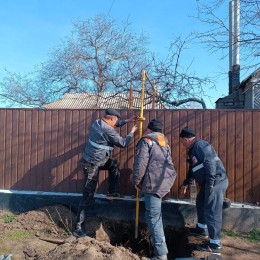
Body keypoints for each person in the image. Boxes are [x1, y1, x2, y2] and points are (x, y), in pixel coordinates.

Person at [73, 108, 138, 238]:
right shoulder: (107, 129)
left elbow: (115, 124)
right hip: (92, 163)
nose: (117, 122)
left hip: (99, 160)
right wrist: (131, 132)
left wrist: (128, 120)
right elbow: (123, 143)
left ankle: (113, 191)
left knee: (114, 164)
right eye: (116, 120)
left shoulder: (98, 122)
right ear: (112, 118)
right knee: (88, 195)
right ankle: (77, 227)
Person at [179, 126, 228, 255]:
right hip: (209, 183)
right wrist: (186, 183)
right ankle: (202, 229)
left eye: (183, 141)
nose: (182, 144)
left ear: (187, 139)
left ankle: (215, 244)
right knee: (200, 202)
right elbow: (193, 169)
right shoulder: (193, 150)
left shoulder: (200, 145)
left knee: (212, 211)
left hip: (216, 181)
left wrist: (210, 183)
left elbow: (210, 162)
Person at [132, 119, 176, 260]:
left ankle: (161, 255)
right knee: (154, 215)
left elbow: (141, 163)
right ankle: (161, 249)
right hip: (165, 181)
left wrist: (137, 181)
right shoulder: (165, 143)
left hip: (154, 182)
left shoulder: (146, 141)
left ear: (149, 130)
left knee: (153, 217)